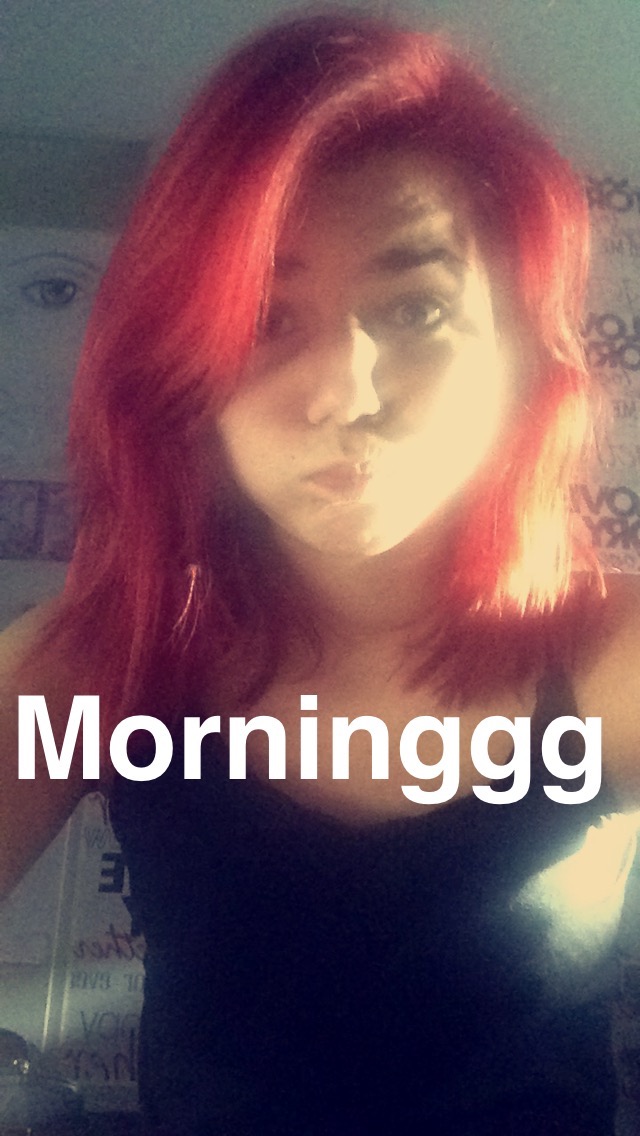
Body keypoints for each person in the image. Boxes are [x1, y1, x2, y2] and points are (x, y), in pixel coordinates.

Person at [2, 9, 640, 1134]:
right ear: (184, 372)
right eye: (264, 316)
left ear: (517, 348)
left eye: (416, 307)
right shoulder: (95, 664)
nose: (347, 392)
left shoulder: (609, 655)